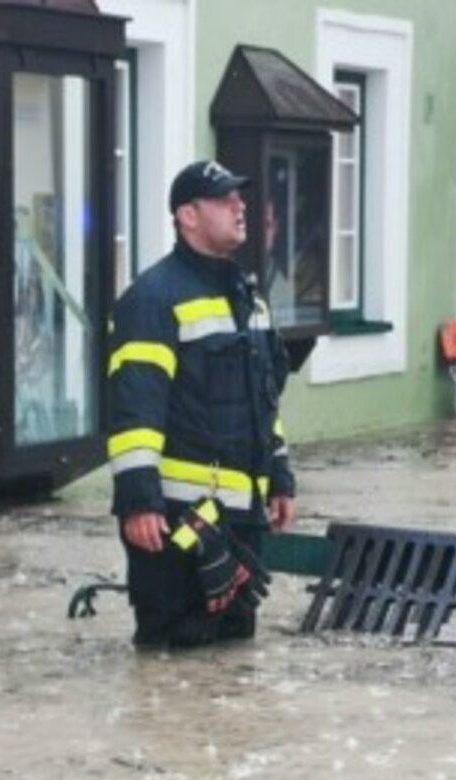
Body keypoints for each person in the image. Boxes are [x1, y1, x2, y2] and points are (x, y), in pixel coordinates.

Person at [106, 160, 296, 649]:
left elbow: (264, 400)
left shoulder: (248, 299)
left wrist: (280, 475)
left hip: (242, 525)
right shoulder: (152, 299)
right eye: (224, 199)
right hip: (173, 526)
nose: (240, 206)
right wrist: (139, 501)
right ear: (187, 216)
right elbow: (135, 409)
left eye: (240, 197)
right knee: (172, 666)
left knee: (234, 672)